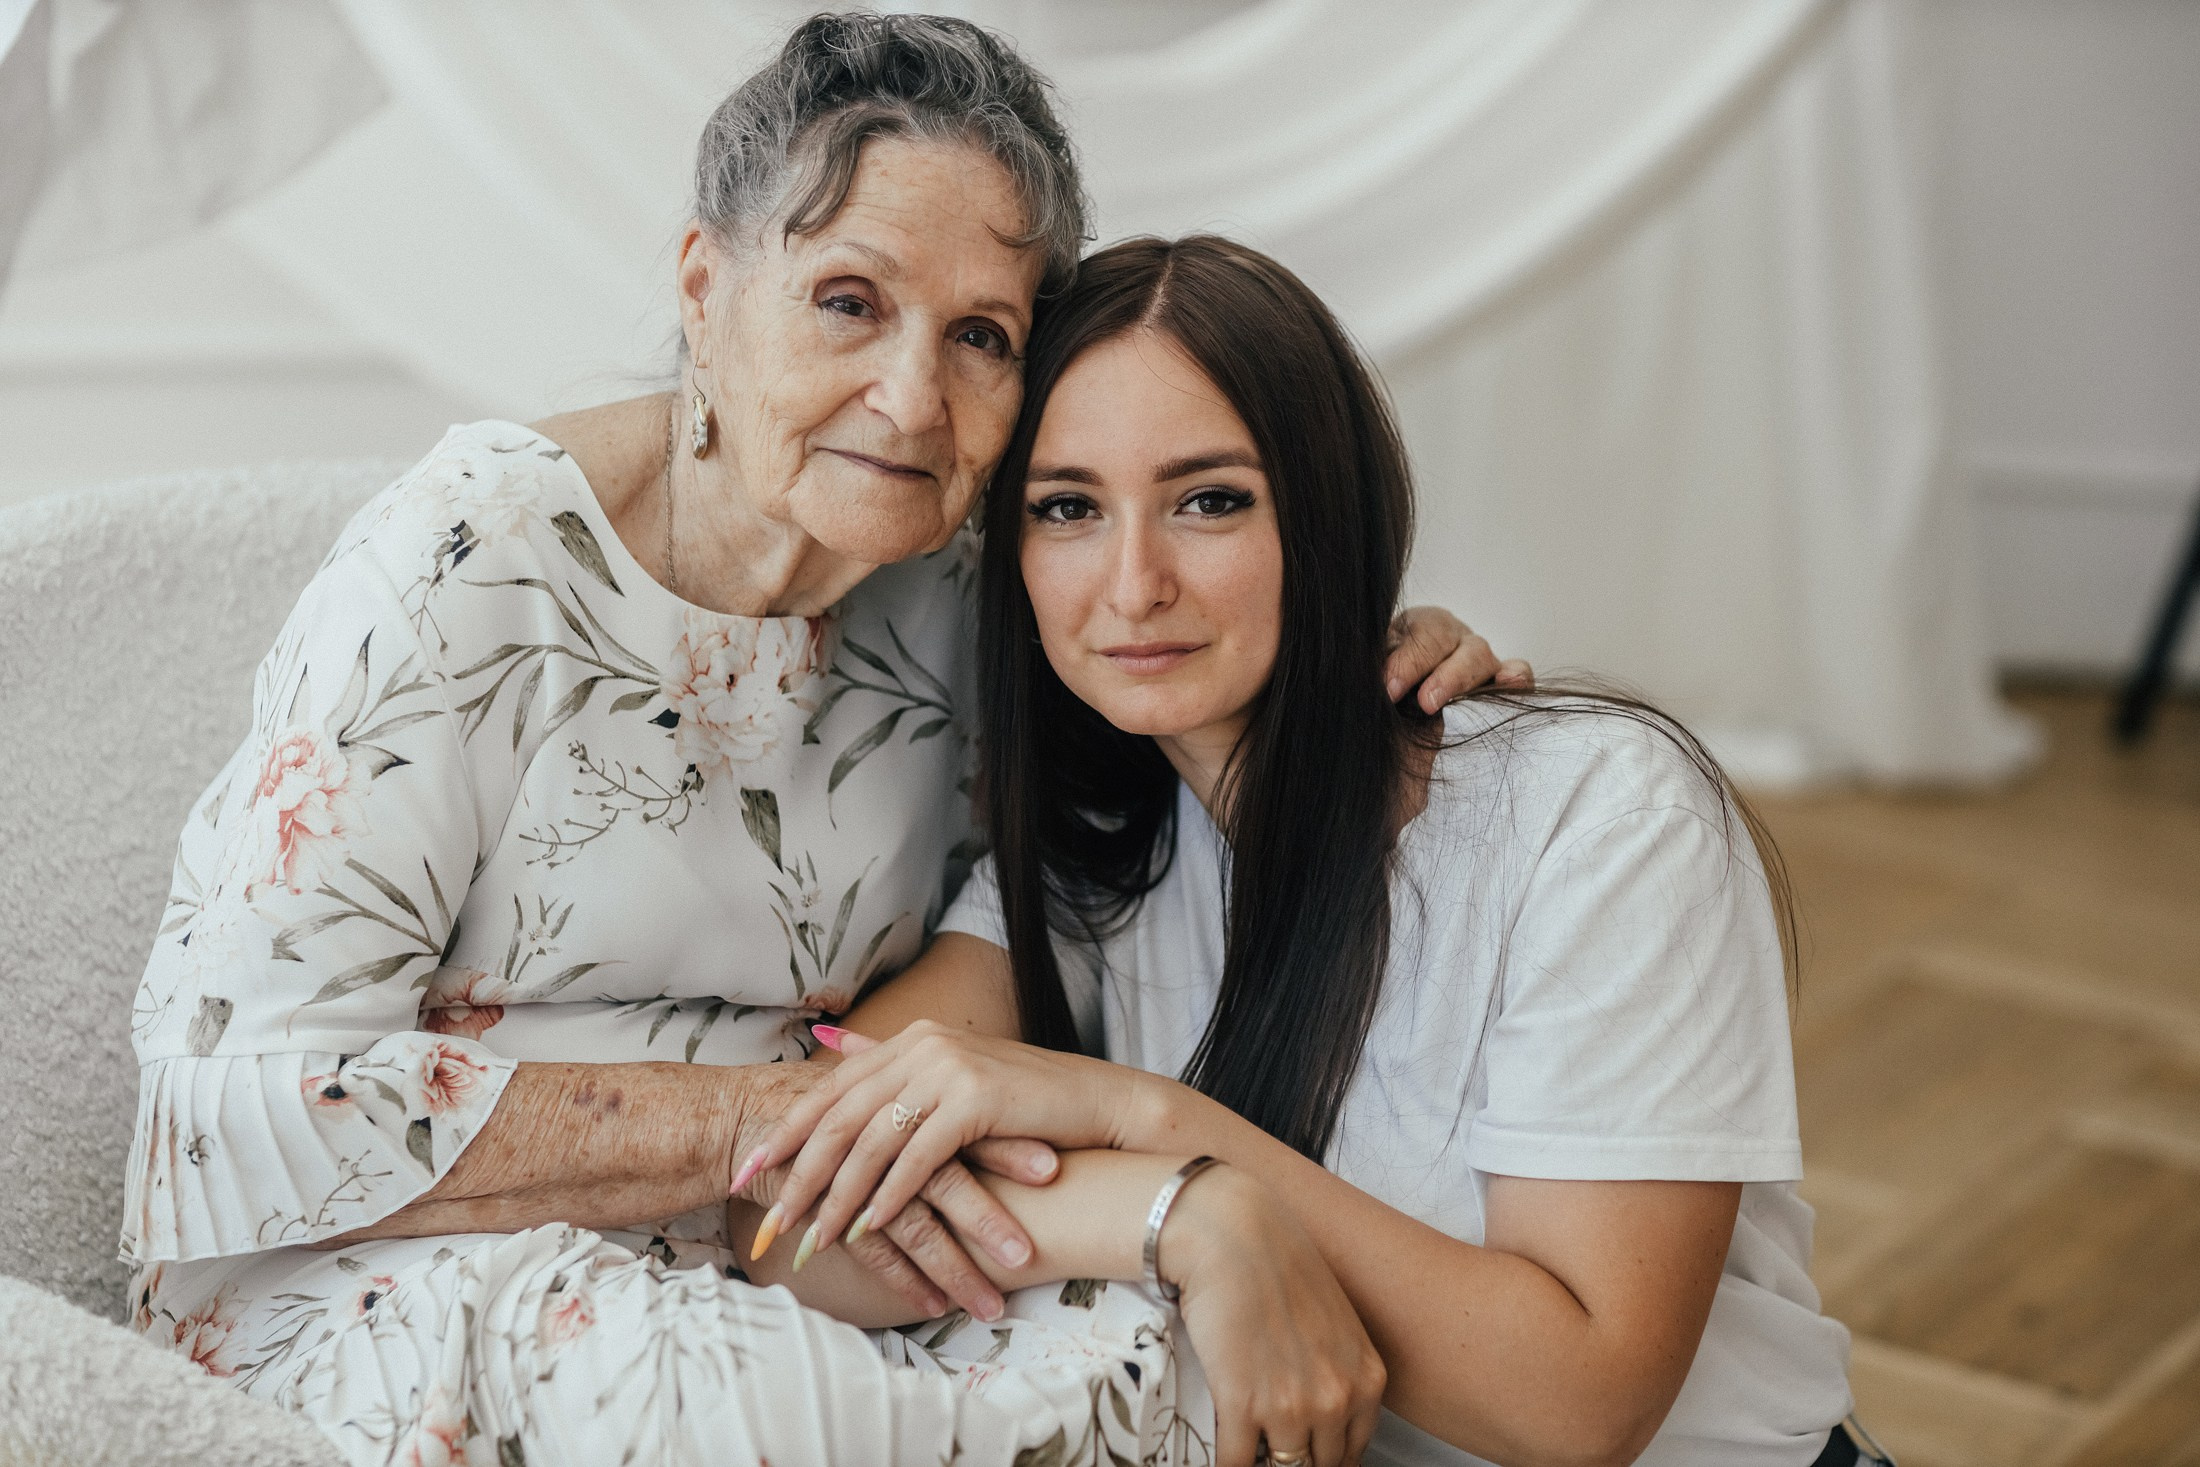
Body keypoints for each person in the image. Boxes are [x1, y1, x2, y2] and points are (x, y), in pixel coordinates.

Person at [119, 16, 1519, 1465]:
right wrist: (769, 1115)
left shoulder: (967, 574)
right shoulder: (473, 560)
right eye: (850, 300)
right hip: (396, 1258)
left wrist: (1354, 647)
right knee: (754, 1411)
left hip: (806, 1228)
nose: (915, 399)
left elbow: (1074, 843)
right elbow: (229, 1109)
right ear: (705, 293)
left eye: (981, 337)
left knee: (1179, 1354)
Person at [750, 235, 1860, 1467]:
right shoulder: (1091, 853)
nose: (1132, 585)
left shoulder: (1600, 819)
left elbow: (1579, 1404)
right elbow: (795, 1220)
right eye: (1067, 508)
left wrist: (1141, 1119)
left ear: (1325, 513)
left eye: (1209, 500)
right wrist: (1184, 1218)